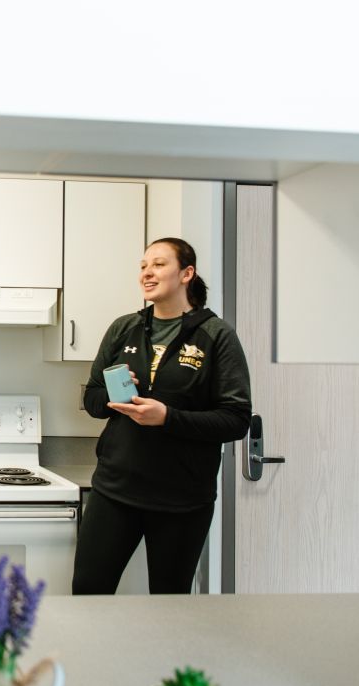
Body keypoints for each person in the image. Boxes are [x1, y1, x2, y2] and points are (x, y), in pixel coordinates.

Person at [72, 237, 252, 595]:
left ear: (187, 273)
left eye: (158, 264)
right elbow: (91, 399)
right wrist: (111, 396)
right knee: (88, 595)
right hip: (115, 490)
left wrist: (167, 417)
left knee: (170, 606)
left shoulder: (216, 336)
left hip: (182, 500)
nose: (147, 273)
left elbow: (236, 418)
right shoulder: (124, 328)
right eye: (143, 266)